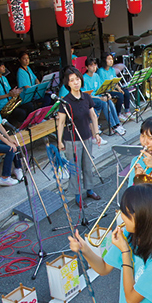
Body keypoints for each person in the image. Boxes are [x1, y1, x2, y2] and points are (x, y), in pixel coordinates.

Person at [56, 68, 103, 208]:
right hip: (72, 140)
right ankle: (77, 195)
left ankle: (89, 190)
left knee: (87, 165)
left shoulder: (86, 97)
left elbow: (93, 116)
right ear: (68, 84)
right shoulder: (65, 102)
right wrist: (59, 141)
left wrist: (97, 134)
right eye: (72, 80)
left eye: (77, 79)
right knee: (75, 168)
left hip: (87, 136)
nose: (76, 82)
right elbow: (61, 123)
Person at [82, 57, 127, 135]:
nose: (94, 67)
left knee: (110, 101)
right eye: (91, 66)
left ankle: (117, 124)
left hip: (99, 96)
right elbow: (86, 95)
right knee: (105, 104)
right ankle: (113, 127)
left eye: (95, 65)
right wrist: (101, 98)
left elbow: (101, 89)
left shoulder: (96, 76)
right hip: (91, 99)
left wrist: (106, 94)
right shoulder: (84, 78)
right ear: (86, 67)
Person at [98, 53, 133, 120]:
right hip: (106, 91)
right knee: (120, 95)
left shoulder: (112, 70)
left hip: (113, 88)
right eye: (109, 59)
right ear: (104, 60)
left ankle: (127, 111)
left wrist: (119, 89)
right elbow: (103, 86)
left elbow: (115, 81)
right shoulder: (101, 71)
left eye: (112, 59)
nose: (111, 61)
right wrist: (115, 90)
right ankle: (118, 114)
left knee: (126, 92)